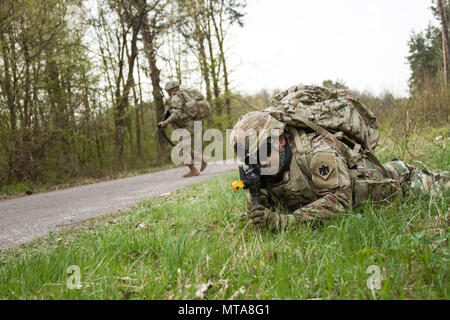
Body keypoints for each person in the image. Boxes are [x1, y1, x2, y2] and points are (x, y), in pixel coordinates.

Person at [230, 110, 449, 232]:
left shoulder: (316, 152)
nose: (258, 163)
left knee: (444, 187)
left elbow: (341, 201)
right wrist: (257, 200)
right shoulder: (265, 167)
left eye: (262, 152)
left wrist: (283, 222)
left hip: (400, 181)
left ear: (279, 140)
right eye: (249, 159)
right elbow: (270, 204)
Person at [158, 81, 207, 178]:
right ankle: (202, 159)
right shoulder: (182, 96)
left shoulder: (176, 98)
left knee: (181, 149)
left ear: (170, 90)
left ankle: (193, 170)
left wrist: (165, 122)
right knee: (185, 148)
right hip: (189, 125)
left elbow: (177, 114)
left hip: (188, 126)